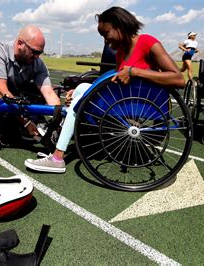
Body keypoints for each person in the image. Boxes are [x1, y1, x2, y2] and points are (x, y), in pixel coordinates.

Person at [25, 6, 185, 173]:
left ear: (120, 26)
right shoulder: (120, 54)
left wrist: (134, 71)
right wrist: (84, 91)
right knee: (81, 90)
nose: (105, 41)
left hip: (145, 104)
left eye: (106, 34)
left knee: (82, 94)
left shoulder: (148, 42)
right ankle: (58, 149)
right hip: (125, 103)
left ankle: (57, 156)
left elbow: (178, 79)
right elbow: (114, 82)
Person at [0, 25, 61, 145]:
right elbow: (2, 94)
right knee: (11, 135)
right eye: (34, 52)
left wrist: (59, 119)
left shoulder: (37, 63)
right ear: (20, 43)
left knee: (38, 94)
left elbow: (49, 93)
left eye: (40, 52)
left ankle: (34, 123)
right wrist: (25, 122)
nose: (37, 56)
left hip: (11, 94)